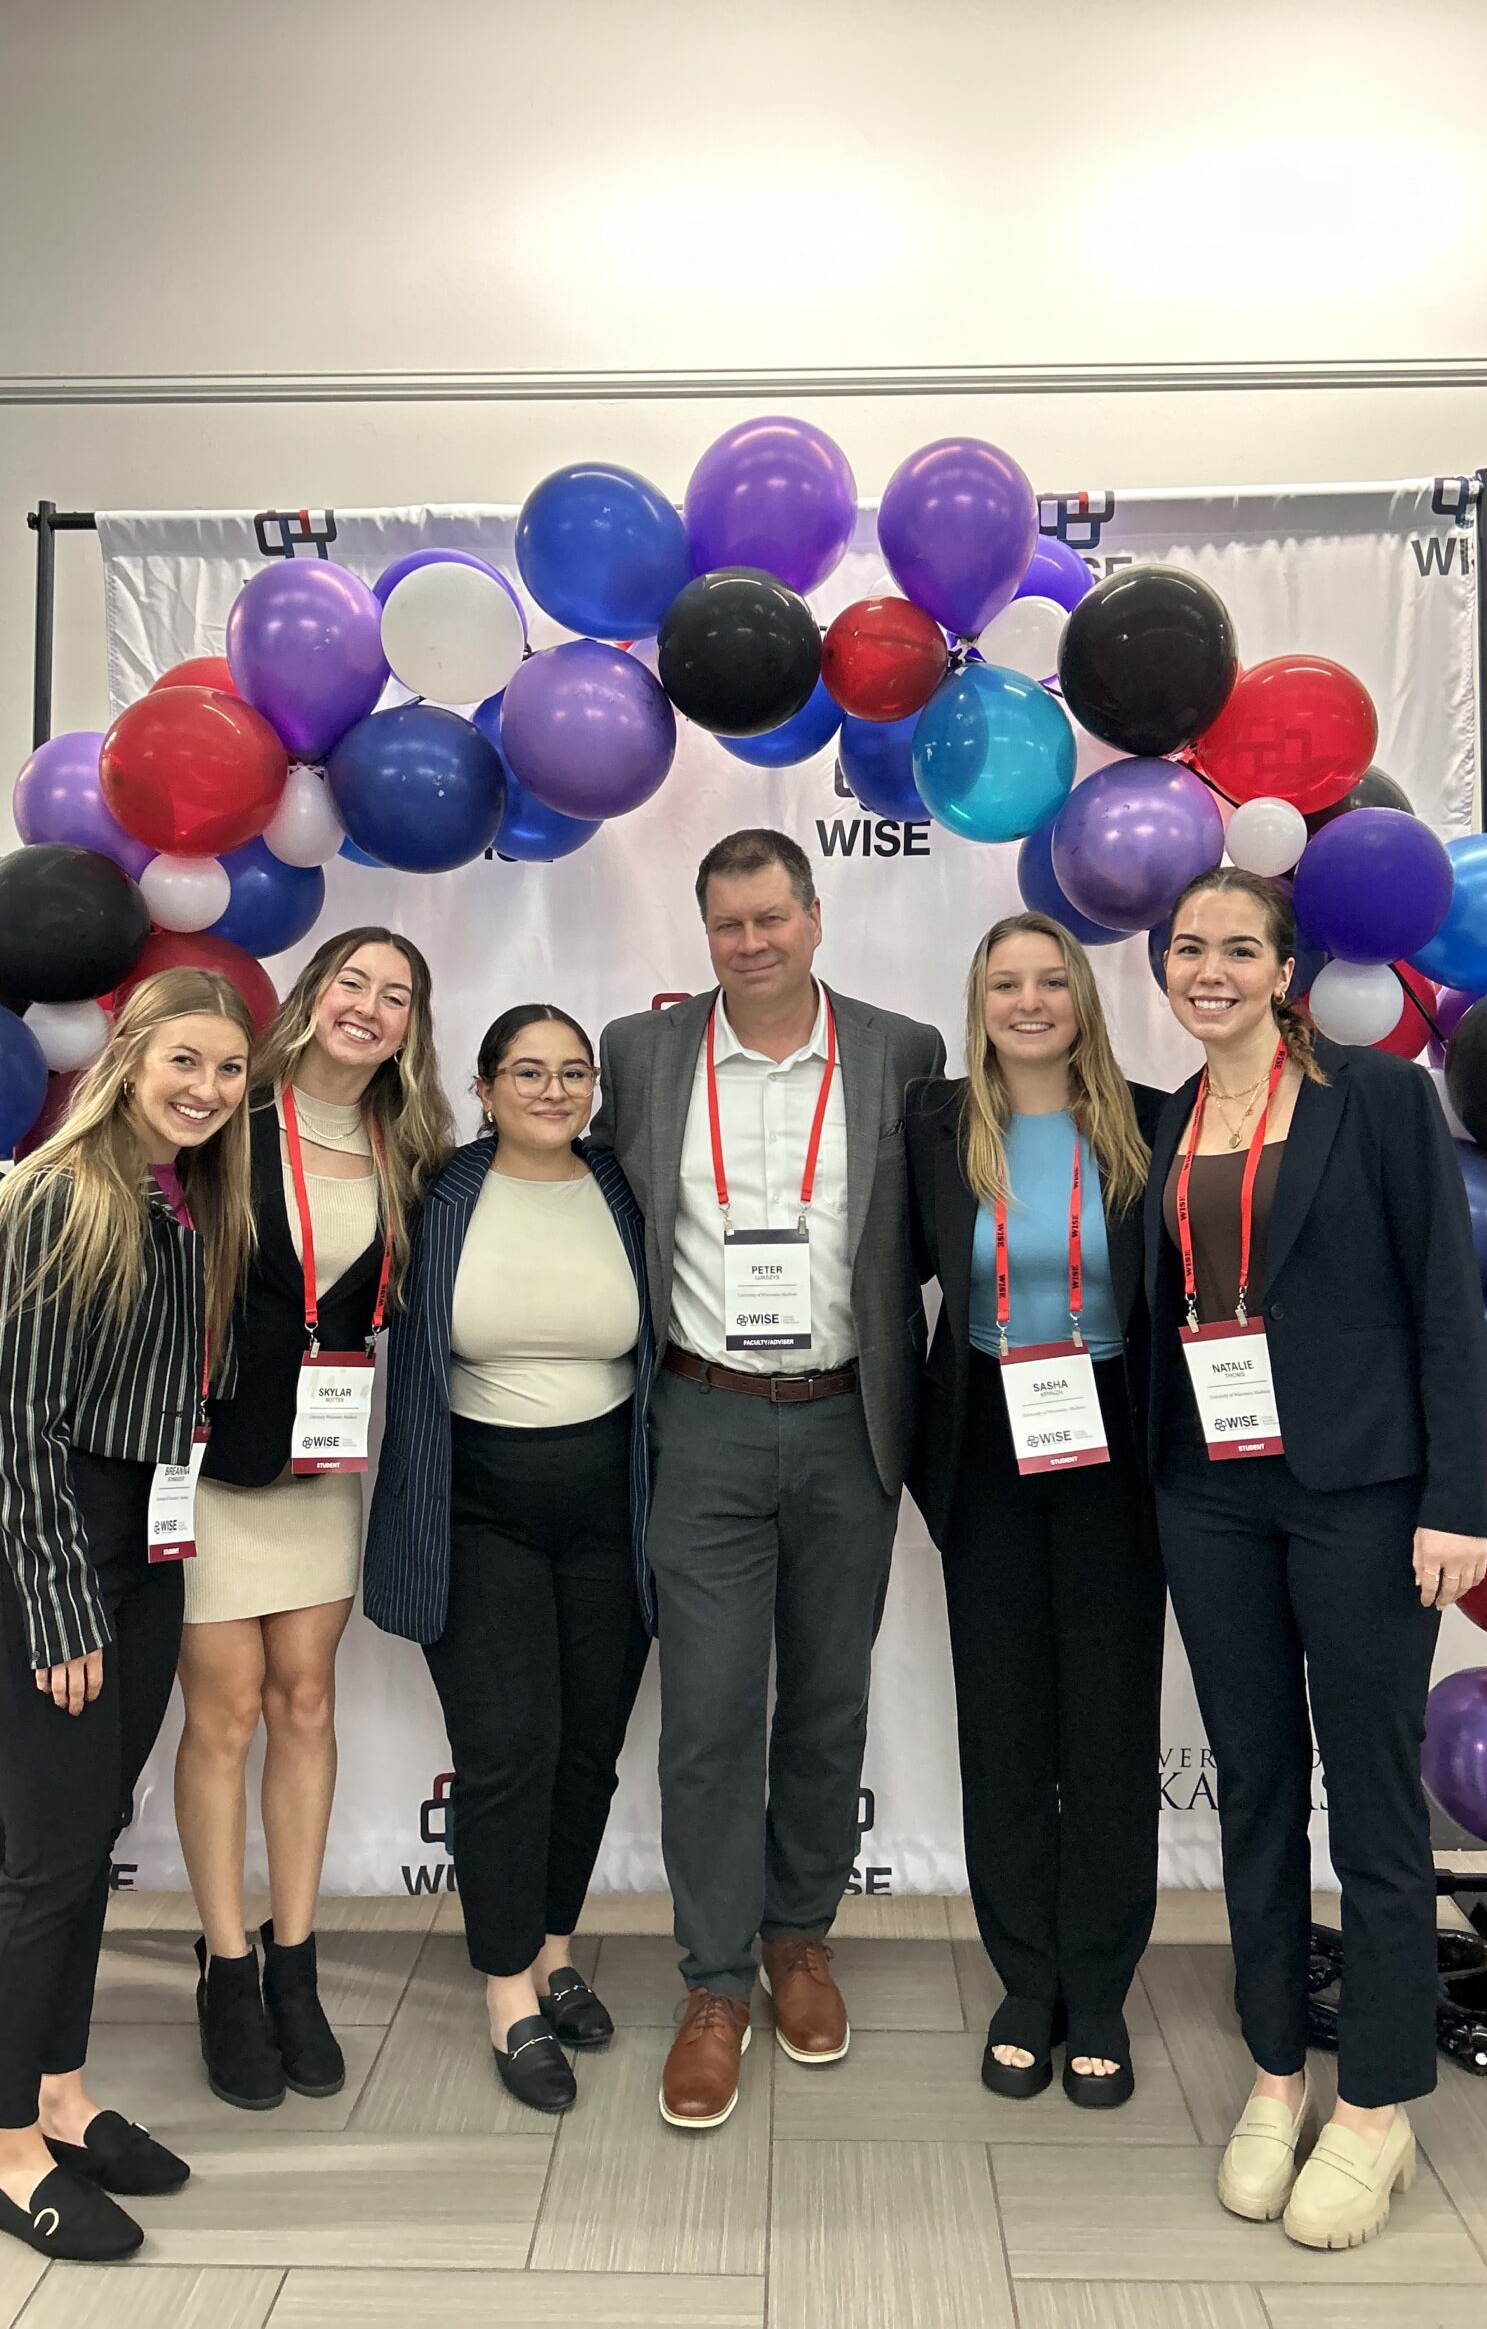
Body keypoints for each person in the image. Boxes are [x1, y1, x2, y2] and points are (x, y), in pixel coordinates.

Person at [1144, 867, 1487, 2252]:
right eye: (1187, 949)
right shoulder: (1169, 1119)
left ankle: (1378, 2107)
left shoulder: (1383, 1098)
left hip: (1364, 1493)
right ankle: (1279, 2071)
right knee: (1254, 1793)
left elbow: (1443, 1312)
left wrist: (1455, 1500)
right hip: (1210, 1495)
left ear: (1286, 970)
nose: (1209, 969)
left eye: (1240, 949)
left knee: (1375, 1806)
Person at [594, 827, 945, 2129]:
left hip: (851, 1422)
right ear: (706, 935)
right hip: (704, 1421)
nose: (751, 945)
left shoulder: (902, 1052)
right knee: (708, 1716)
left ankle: (801, 1937)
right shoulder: (643, 1055)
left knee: (826, 1702)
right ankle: (713, 1981)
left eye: (770, 920)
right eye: (726, 926)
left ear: (814, 916)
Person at [0, 969, 256, 2262]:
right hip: (40, 1543)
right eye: (186, 1062)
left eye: (230, 1072)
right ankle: (5, 2153)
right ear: (127, 1057)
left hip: (142, 1538)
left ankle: (61, 2097)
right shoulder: (50, 1197)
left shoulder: (182, 1198)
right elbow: (10, 1425)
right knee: (48, 1856)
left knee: (91, 1837)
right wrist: (63, 1607)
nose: (207, 1091)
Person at [174, 929, 451, 2111]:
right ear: (313, 994)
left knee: (305, 1697)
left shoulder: (416, 1151)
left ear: (410, 1029)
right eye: (354, 984)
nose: (370, 1008)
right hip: (209, 1465)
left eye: (395, 998)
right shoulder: (226, 1125)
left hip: (325, 1463)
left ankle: (297, 1966)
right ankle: (226, 1968)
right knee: (225, 1713)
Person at [366, 1004, 655, 2112]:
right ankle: (505, 1992)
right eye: (526, 1072)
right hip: (475, 1506)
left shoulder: (621, 1185)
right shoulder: (439, 1193)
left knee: (587, 1746)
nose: (552, 1089)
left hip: (610, 1505)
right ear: (482, 1090)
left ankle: (552, 1948)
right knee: (506, 1748)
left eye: (572, 1072)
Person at [905, 912, 1167, 2108]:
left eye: (1050, 981)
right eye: (1004, 982)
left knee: (1108, 1725)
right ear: (979, 1001)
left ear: (1083, 997)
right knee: (1003, 1721)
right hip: (988, 1435)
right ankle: (1024, 1979)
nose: (1028, 1001)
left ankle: (1101, 1987)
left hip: (1117, 1437)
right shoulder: (935, 1123)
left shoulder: (1153, 1124)